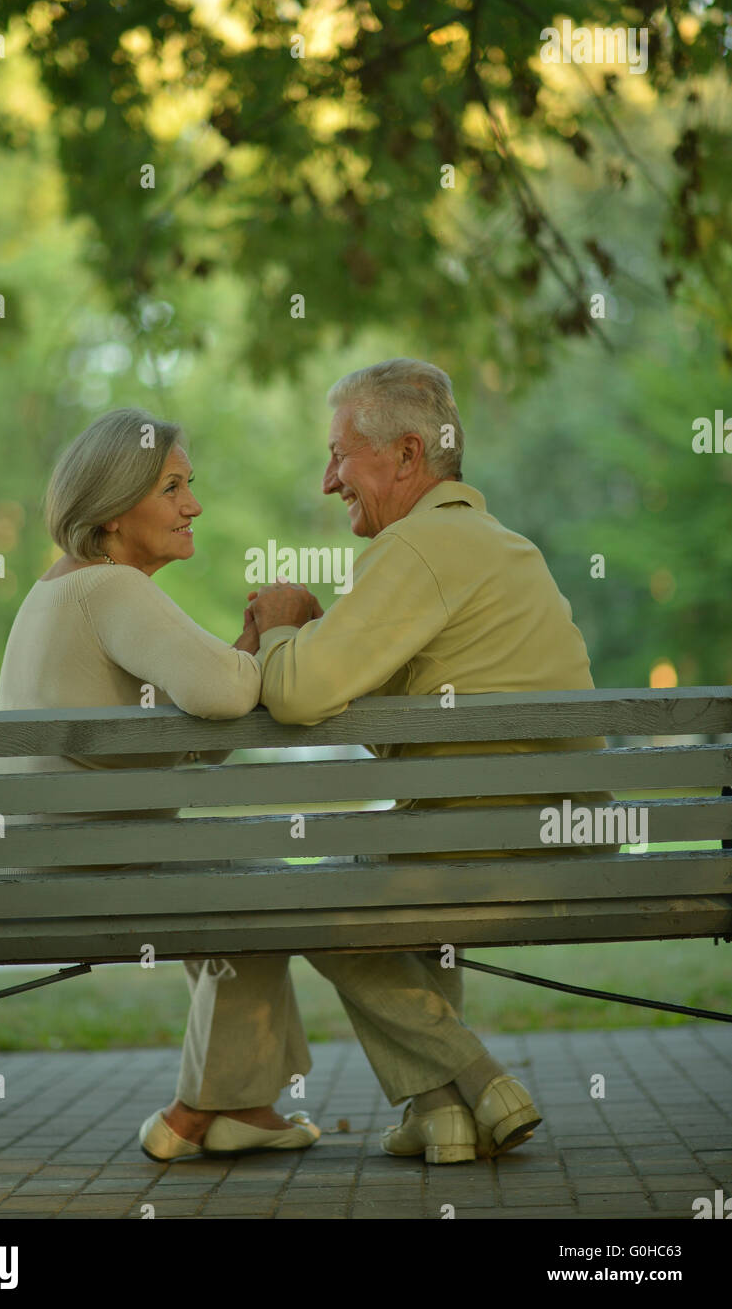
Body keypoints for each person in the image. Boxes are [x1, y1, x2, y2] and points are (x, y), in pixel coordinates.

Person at [202, 357, 612, 1164]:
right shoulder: (497, 546)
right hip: (563, 838)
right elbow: (396, 719)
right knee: (393, 863)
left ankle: (483, 1080)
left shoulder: (418, 547)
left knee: (308, 897)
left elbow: (295, 695)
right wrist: (325, 639)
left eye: (338, 453)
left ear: (406, 456)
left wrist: (284, 626)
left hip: (487, 843)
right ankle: (442, 1117)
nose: (327, 480)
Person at [0, 407, 320, 1159]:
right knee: (263, 888)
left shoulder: (57, 592)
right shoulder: (109, 590)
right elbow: (224, 696)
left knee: (245, 883)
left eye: (190, 485)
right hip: (80, 868)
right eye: (172, 487)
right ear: (115, 511)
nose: (194, 505)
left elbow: (187, 739)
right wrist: (277, 628)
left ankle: (243, 1108)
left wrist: (240, 650)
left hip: (32, 862)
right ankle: (196, 1112)